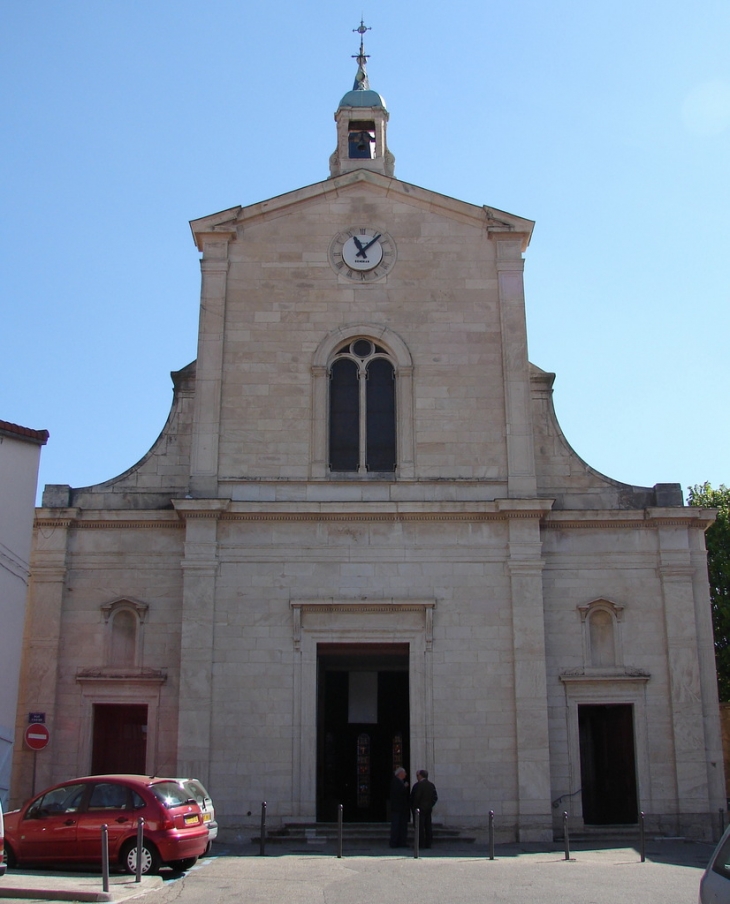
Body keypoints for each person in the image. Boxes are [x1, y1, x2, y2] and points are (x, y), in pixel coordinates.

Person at [410, 769, 438, 848]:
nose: (417, 777)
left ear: (421, 776)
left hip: (419, 809)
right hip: (428, 809)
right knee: (428, 826)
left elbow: (416, 797)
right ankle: (428, 843)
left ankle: (420, 844)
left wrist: (414, 807)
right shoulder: (431, 785)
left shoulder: (418, 785)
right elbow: (435, 797)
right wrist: (430, 805)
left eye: (417, 775)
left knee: (420, 827)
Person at [389, 767, 410, 847]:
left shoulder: (399, 782)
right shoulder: (395, 782)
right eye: (404, 773)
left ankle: (401, 842)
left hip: (401, 809)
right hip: (398, 808)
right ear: (400, 774)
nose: (405, 774)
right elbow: (398, 794)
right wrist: (404, 787)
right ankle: (395, 842)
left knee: (401, 826)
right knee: (396, 826)